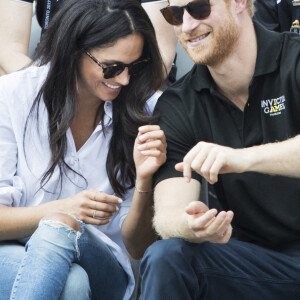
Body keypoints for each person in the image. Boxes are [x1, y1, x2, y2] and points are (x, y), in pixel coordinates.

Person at [0, 0, 166, 299]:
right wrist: (62, 212)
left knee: (60, 231)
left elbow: (139, 249)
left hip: (106, 268)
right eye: (112, 67)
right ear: (74, 52)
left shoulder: (148, 109)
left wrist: (144, 181)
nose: (124, 79)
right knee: (72, 282)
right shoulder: (13, 96)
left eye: (135, 66)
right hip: (14, 251)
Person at [140, 0, 300, 299]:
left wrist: (240, 158)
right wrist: (192, 224)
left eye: (199, 8)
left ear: (239, 3)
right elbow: (167, 215)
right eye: (175, 14)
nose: (186, 26)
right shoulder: (179, 103)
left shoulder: (295, 58)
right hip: (256, 265)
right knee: (168, 256)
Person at [0, 0, 177, 79]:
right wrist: (55, 89)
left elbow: (161, 56)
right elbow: (9, 50)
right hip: (51, 72)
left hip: (126, 76)